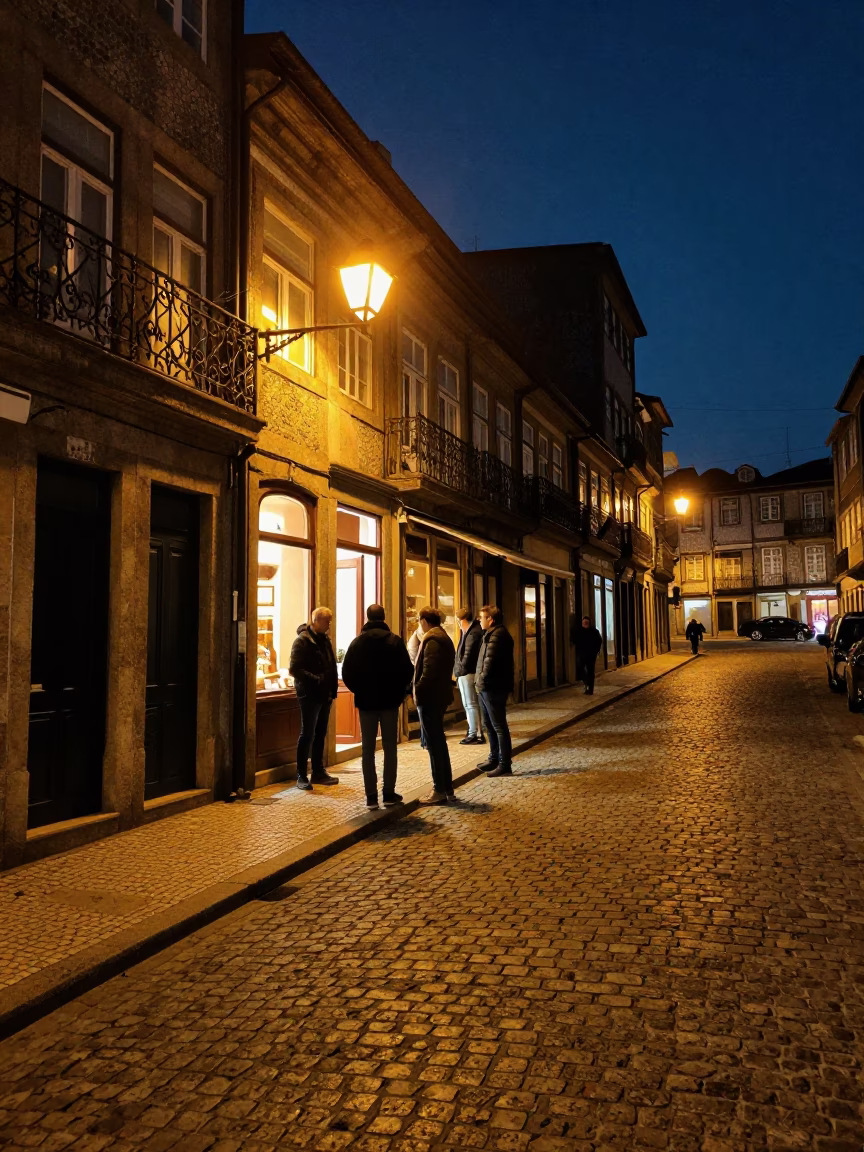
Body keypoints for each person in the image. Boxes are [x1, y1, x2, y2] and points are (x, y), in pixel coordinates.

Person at [341, 604, 413, 810]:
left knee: (367, 750)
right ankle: (388, 793)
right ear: (383, 617)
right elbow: (407, 671)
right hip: (390, 703)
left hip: (366, 703)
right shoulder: (395, 642)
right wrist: (399, 692)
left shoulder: (357, 643)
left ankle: (371, 796)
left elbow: (347, 673)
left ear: (367, 617)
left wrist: (359, 690)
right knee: (390, 748)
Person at [288, 607, 340, 791]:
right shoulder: (302, 641)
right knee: (307, 733)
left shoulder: (324, 640)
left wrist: (332, 687)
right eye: (327, 621)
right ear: (316, 621)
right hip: (309, 694)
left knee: (320, 734)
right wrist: (316, 680)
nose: (329, 625)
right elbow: (295, 669)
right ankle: (301, 774)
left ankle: (318, 770)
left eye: (330, 621)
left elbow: (330, 665)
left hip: (325, 694)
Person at [413, 605, 456, 805]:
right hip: (438, 696)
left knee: (434, 744)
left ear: (424, 620)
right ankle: (447, 788)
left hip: (431, 698)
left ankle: (439, 789)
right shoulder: (442, 637)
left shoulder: (433, 640)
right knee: (438, 743)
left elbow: (428, 672)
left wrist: (418, 692)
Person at [475, 605, 515, 778]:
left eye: (482, 617)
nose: (479, 620)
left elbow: (489, 662)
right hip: (487, 686)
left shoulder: (497, 635)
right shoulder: (490, 634)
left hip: (493, 687)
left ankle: (505, 764)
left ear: (490, 619)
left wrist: (481, 680)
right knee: (489, 725)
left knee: (498, 725)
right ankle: (494, 758)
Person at [454, 607, 485, 745]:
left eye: (459, 622)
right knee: (470, 704)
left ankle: (475, 733)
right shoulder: (470, 632)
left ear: (463, 620)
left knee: (470, 704)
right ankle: (474, 731)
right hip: (467, 672)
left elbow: (467, 655)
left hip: (468, 673)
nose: (458, 625)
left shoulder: (472, 633)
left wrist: (460, 670)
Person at [573, 615, 603, 695]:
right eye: (584, 623)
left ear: (589, 623)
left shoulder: (594, 632)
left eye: (587, 623)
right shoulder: (579, 631)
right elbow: (574, 640)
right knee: (580, 668)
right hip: (581, 654)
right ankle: (586, 681)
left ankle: (590, 689)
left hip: (591, 655)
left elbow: (599, 641)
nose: (585, 624)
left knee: (590, 670)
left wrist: (596, 651)